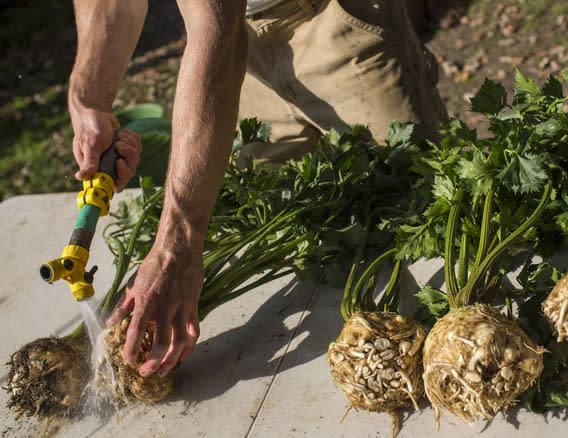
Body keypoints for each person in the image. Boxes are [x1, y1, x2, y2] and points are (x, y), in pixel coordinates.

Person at [69, 0, 447, 379]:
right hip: (242, 47)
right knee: (281, 214)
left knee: (421, 205)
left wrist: (175, 248)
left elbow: (217, 26)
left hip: (333, 22)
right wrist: (89, 97)